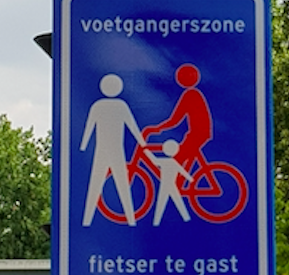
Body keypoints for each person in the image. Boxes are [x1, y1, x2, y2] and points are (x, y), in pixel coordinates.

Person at [80, 73, 147, 226]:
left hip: (101, 150)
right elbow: (134, 128)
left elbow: (88, 128)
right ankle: (131, 220)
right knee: (122, 183)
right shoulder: (121, 106)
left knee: (96, 183)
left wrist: (83, 146)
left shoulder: (97, 106)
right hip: (116, 150)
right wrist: (143, 144)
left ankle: (87, 220)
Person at [143, 64, 213, 181]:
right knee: (177, 158)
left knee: (176, 160)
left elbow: (175, 119)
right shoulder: (192, 94)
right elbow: (176, 118)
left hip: (198, 134)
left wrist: (157, 128)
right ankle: (177, 182)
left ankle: (176, 183)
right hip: (198, 134)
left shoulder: (191, 95)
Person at [150, 139, 194, 226]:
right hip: (171, 185)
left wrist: (146, 152)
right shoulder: (173, 162)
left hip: (166, 185)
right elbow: (182, 171)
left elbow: (154, 160)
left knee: (161, 202)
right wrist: (190, 178)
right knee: (177, 201)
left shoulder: (165, 161)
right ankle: (186, 218)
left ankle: (156, 222)